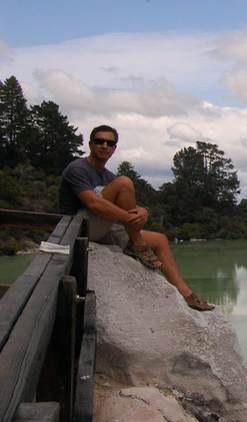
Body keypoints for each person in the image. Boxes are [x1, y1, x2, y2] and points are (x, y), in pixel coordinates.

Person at [58, 125, 215, 311]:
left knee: (160, 240)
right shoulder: (78, 168)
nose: (104, 146)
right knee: (124, 182)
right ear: (91, 144)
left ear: (114, 148)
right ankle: (138, 245)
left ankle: (186, 293)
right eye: (99, 141)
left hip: (102, 226)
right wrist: (130, 218)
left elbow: (126, 206)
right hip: (77, 226)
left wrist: (143, 211)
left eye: (110, 143)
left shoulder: (108, 176)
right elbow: (93, 203)